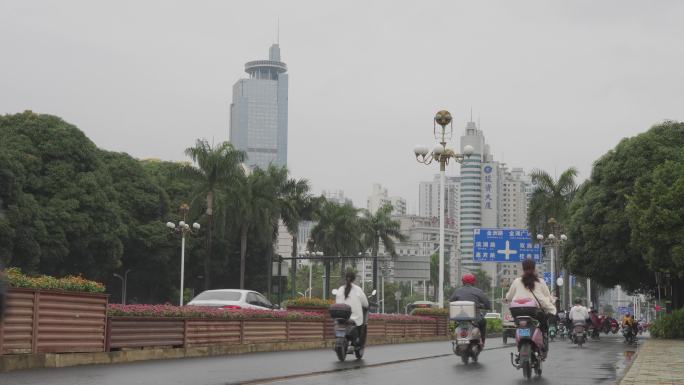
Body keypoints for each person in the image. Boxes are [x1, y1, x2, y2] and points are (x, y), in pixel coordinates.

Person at [505, 259, 556, 353]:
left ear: (522, 269)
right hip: (534, 312)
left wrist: (507, 299)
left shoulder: (516, 281)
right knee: (544, 324)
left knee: (518, 325)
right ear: (534, 268)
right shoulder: (540, 281)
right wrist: (552, 302)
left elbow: (509, 296)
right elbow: (548, 297)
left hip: (517, 312)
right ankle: (544, 343)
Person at [449, 273, 491, 347]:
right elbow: (486, 302)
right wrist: (487, 306)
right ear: (473, 282)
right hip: (475, 318)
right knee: (483, 322)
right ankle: (482, 342)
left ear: (463, 282)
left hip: (459, 317)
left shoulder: (457, 291)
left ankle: (457, 341)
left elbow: (451, 301)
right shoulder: (478, 291)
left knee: (456, 325)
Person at [335, 271, 369, 344]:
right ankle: (356, 341)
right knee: (360, 325)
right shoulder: (358, 289)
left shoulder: (340, 289)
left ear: (345, 279)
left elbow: (337, 302)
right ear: (354, 279)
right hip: (354, 318)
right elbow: (365, 303)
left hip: (340, 317)